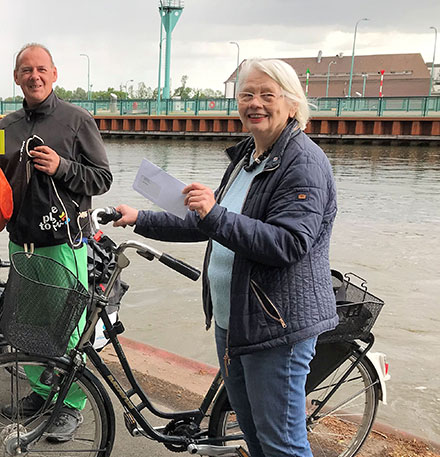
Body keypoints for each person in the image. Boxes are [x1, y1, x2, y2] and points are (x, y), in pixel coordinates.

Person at [114, 58, 338, 457]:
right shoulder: (248, 157)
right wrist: (139, 218)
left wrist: (215, 214)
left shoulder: (302, 163)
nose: (255, 103)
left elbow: (288, 244)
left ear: (291, 104)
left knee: (282, 444)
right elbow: (208, 224)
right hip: (235, 322)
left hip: (276, 327)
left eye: (267, 95)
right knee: (253, 435)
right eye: (247, 94)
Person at [0, 43, 113, 442]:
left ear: (55, 73)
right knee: (26, 324)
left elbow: (102, 178)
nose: (34, 76)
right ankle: (43, 392)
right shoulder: (5, 126)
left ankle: (72, 404)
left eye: (41, 69)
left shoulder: (77, 120)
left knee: (67, 327)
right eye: (26, 70)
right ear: (16, 77)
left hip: (63, 242)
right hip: (20, 242)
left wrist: (62, 167)